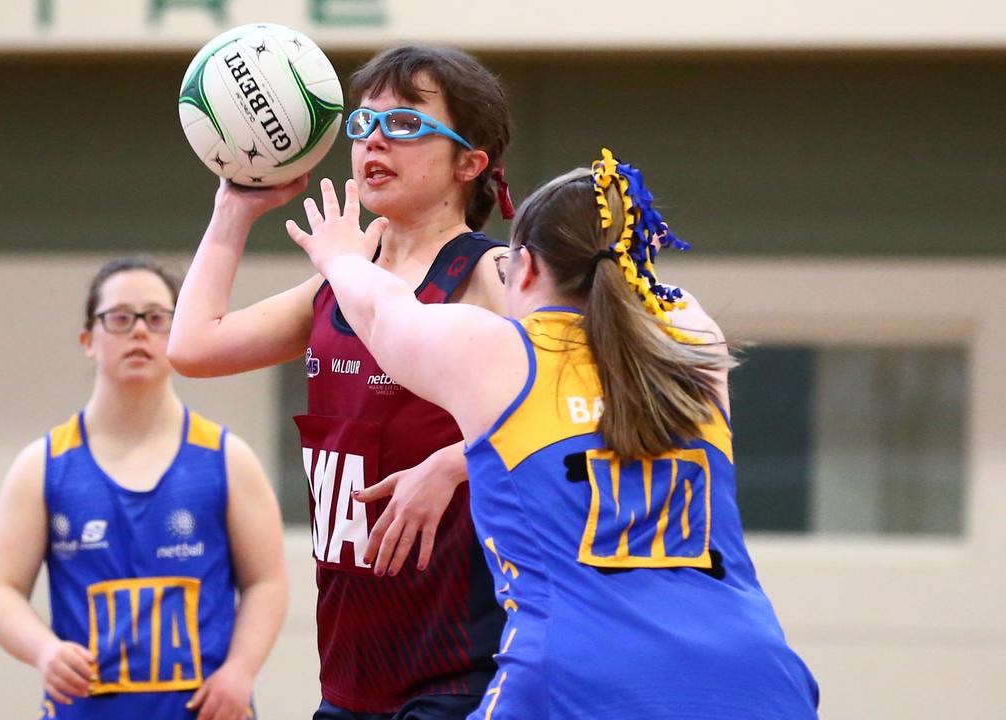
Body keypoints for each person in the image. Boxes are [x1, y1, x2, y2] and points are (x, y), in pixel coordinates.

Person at [284, 150, 821, 718]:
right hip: (757, 673)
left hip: (579, 676)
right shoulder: (693, 346)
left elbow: (380, 313)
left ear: (529, 268)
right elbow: (648, 314)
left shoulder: (500, 354)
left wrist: (340, 257)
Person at [169, 46, 514, 719]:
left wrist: (452, 464)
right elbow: (192, 346)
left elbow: (575, 402)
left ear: (469, 162)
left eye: (407, 124)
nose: (374, 139)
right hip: (352, 675)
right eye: (362, 125)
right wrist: (233, 211)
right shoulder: (336, 284)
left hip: (460, 669)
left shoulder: (490, 274)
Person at [0, 257, 288, 720]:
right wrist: (44, 651)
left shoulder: (227, 458)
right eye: (120, 318)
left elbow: (267, 582)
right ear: (88, 340)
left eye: (158, 318)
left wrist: (240, 672)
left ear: (179, 331)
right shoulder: (43, 465)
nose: (139, 331)